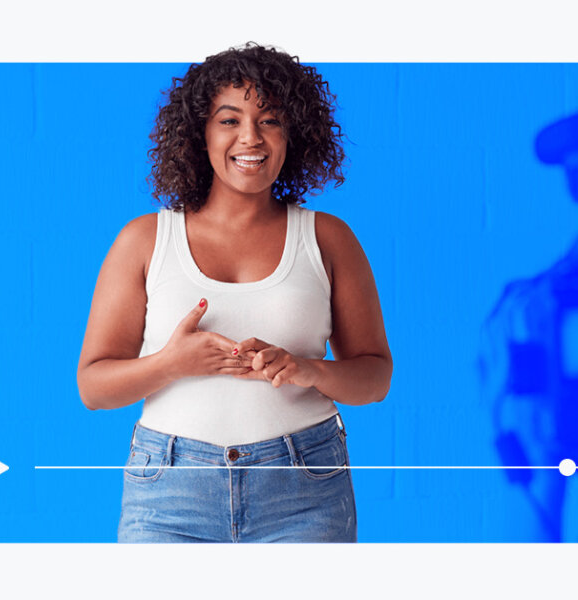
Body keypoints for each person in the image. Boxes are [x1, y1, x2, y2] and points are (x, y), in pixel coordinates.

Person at [76, 44, 392, 543]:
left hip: (304, 488)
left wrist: (310, 370)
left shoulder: (328, 239)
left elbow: (374, 378)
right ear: (200, 132)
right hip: (169, 491)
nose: (251, 137)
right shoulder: (145, 240)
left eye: (270, 120)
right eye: (230, 120)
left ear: (294, 133)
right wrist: (171, 362)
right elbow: (93, 387)